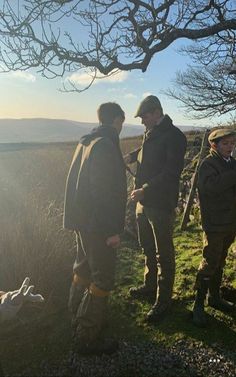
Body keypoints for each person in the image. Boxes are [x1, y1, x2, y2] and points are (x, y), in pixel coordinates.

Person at [63, 102, 127, 355]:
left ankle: (77, 316)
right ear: (117, 120)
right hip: (99, 226)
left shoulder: (86, 141)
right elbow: (103, 193)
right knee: (103, 278)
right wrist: (112, 230)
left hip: (83, 223)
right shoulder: (105, 145)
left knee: (83, 268)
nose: (122, 127)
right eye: (122, 122)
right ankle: (87, 336)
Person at [125, 95, 187, 323]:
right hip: (144, 202)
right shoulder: (152, 133)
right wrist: (130, 157)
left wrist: (145, 190)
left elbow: (172, 173)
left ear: (157, 112)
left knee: (164, 253)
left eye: (144, 116)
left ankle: (164, 300)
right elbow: (146, 151)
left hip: (160, 203)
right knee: (147, 247)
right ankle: (149, 286)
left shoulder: (175, 137)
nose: (141, 121)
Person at [192, 128, 236, 327]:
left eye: (232, 143)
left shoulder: (232, 164)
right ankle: (198, 305)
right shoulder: (208, 164)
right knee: (210, 262)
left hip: (231, 222)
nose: (230, 147)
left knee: (221, 260)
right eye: (225, 144)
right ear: (214, 145)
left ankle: (215, 297)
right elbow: (210, 188)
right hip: (215, 223)